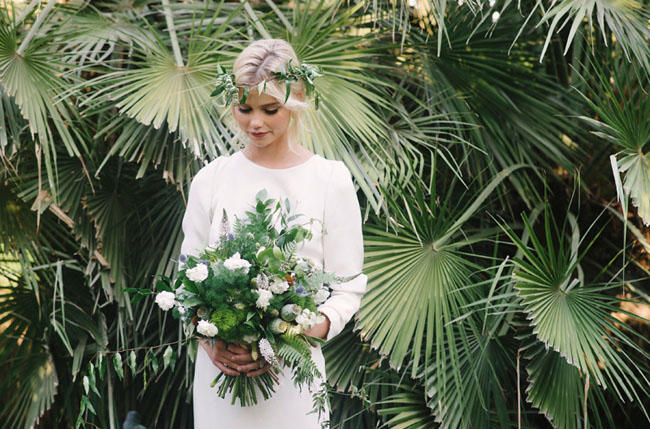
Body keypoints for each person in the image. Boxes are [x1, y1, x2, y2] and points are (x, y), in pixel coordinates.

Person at [180, 39, 367, 428]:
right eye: (244, 109)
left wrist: (295, 336)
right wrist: (210, 342)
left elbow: (348, 286)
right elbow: (188, 279)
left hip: (293, 379)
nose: (255, 123)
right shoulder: (211, 180)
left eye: (270, 109)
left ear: (296, 98)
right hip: (221, 379)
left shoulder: (330, 180)